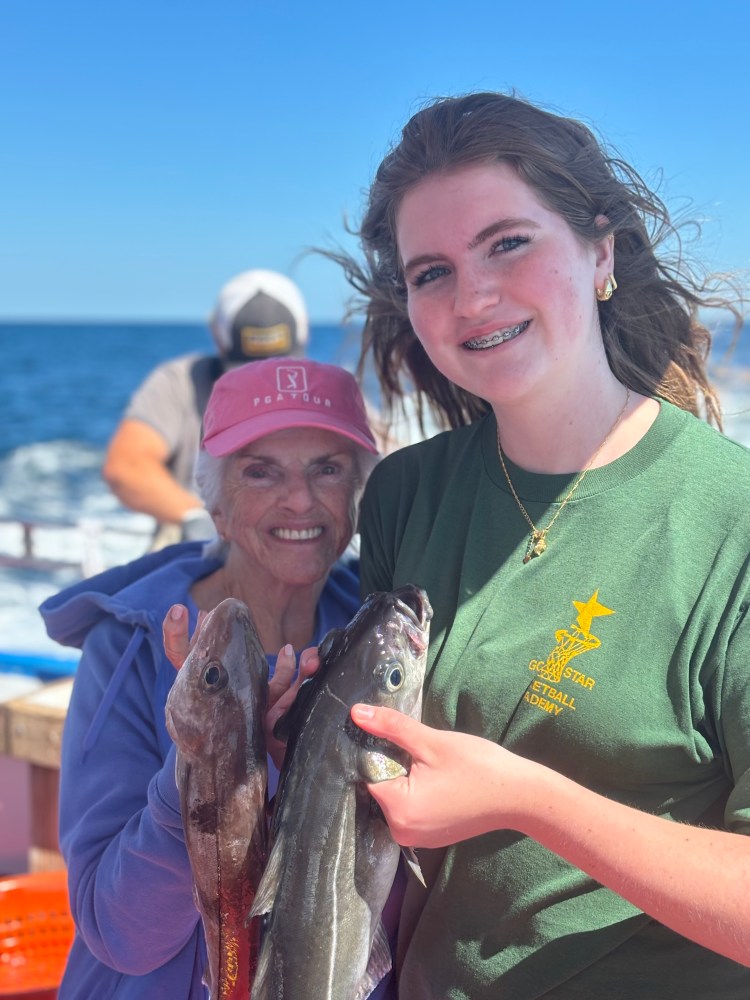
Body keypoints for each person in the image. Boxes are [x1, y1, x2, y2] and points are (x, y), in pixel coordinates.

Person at [326, 92, 750, 998]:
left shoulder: (734, 522)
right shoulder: (406, 495)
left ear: (600, 251)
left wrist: (528, 799)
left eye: (508, 243)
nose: (472, 296)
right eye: (430, 271)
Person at [39, 357, 381, 999]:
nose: (301, 499)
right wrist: (210, 760)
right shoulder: (127, 653)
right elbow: (120, 933)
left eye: (327, 469)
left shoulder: (374, 642)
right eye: (261, 471)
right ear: (216, 505)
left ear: (355, 495)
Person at [102, 268, 309, 546]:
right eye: (248, 374)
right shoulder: (179, 384)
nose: (264, 390)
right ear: (216, 338)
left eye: (278, 374)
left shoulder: (335, 394)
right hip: (201, 549)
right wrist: (203, 520)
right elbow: (126, 466)